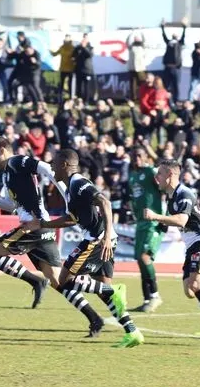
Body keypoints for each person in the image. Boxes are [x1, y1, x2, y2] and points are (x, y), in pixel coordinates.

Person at [0, 138, 106, 337]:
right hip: (41, 228)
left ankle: (35, 281)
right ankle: (95, 317)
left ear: (3, 150)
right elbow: (10, 206)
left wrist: (69, 198)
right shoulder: (8, 174)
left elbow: (47, 168)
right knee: (60, 281)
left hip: (33, 227)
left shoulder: (17, 161)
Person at [20, 148, 143, 348]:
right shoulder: (70, 189)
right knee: (103, 292)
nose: (51, 167)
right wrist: (42, 224)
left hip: (97, 241)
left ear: (64, 165)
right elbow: (70, 219)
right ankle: (132, 332)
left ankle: (115, 291)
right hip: (103, 240)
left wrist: (105, 237)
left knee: (64, 281)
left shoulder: (79, 184)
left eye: (54, 164)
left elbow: (105, 202)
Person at [144, 159, 200, 336]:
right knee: (190, 291)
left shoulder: (184, 193)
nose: (156, 177)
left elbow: (181, 220)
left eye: (160, 173)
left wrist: (155, 217)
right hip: (191, 243)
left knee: (196, 284)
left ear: (170, 175)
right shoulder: (171, 196)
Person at [127, 148, 165, 312]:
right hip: (140, 223)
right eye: (134, 155)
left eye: (139, 154)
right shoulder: (132, 176)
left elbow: (166, 186)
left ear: (145, 157)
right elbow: (134, 197)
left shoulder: (150, 171)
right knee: (139, 260)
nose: (137, 157)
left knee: (145, 257)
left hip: (153, 221)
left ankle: (155, 296)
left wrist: (166, 216)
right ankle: (147, 299)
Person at [160, 18, 186, 102]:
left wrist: (184, 27)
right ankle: (166, 100)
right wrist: (162, 27)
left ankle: (176, 100)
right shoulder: (169, 42)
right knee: (166, 85)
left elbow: (183, 36)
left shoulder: (179, 43)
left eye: (176, 35)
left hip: (176, 68)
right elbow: (164, 36)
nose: (174, 36)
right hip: (168, 67)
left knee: (176, 85)